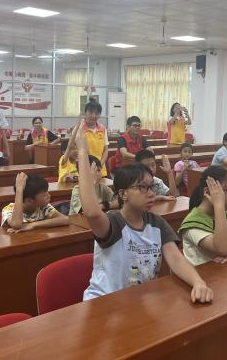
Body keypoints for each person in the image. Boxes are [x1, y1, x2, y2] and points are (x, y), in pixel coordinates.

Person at [73, 120, 213, 303]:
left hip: (140, 303)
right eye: (142, 187)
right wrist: (83, 152)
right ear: (123, 194)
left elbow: (175, 258)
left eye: (151, 187)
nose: (151, 193)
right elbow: (92, 213)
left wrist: (198, 282)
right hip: (105, 303)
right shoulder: (114, 222)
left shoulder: (156, 223)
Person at [1, 173, 72, 233]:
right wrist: (19, 189)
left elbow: (66, 220)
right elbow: (16, 224)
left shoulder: (43, 207)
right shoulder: (9, 209)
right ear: (29, 201)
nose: (49, 196)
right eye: (44, 195)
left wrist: (33, 224)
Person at [81, 99, 109, 176]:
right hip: (85, 170)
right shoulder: (80, 129)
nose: (93, 116)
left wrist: (99, 165)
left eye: (96, 113)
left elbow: (105, 150)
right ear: (85, 113)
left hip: (100, 170)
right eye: (90, 112)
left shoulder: (103, 129)